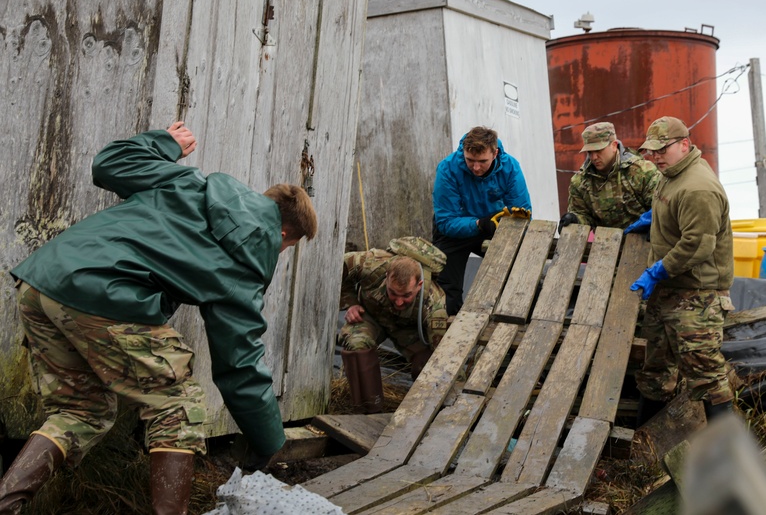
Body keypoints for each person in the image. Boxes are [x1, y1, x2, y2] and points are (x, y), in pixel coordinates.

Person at [0, 123, 318, 515]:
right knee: (177, 403)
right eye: (287, 246)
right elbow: (239, 365)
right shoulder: (250, 258)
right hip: (105, 296)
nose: (281, 252)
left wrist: (164, 143)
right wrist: (269, 442)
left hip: (41, 283)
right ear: (285, 232)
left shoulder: (191, 183)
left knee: (82, 411)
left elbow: (109, 163)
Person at [626, 116, 735, 424]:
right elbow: (674, 207)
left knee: (707, 376)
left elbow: (698, 245)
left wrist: (656, 271)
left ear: (684, 145)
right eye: (651, 151)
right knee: (656, 372)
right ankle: (646, 448)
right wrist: (655, 216)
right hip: (670, 292)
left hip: (696, 296)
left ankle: (727, 454)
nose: (655, 157)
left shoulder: (698, 187)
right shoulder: (672, 174)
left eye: (662, 149)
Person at [339, 237, 449, 413]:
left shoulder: (434, 304)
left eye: (406, 295)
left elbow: (445, 355)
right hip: (371, 316)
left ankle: (425, 412)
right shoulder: (371, 264)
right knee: (356, 344)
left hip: (407, 331)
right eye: (392, 293)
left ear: (419, 285)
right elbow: (339, 267)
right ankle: (368, 411)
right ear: (386, 277)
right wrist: (350, 302)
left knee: (429, 364)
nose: (398, 302)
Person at [432, 126, 531, 315]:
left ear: (495, 153)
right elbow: (445, 221)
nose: (476, 167)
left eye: (482, 161)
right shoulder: (447, 168)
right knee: (445, 293)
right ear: (463, 152)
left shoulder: (510, 168)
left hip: (493, 226)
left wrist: (508, 223)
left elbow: (524, 213)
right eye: (470, 160)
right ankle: (447, 335)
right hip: (453, 230)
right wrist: (477, 224)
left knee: (518, 275)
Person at [559, 122, 660, 231]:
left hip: (643, 241)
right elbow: (584, 216)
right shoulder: (580, 182)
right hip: (605, 243)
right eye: (590, 152)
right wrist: (575, 219)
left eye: (598, 150)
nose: (594, 157)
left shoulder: (642, 172)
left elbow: (660, 207)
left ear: (614, 145)